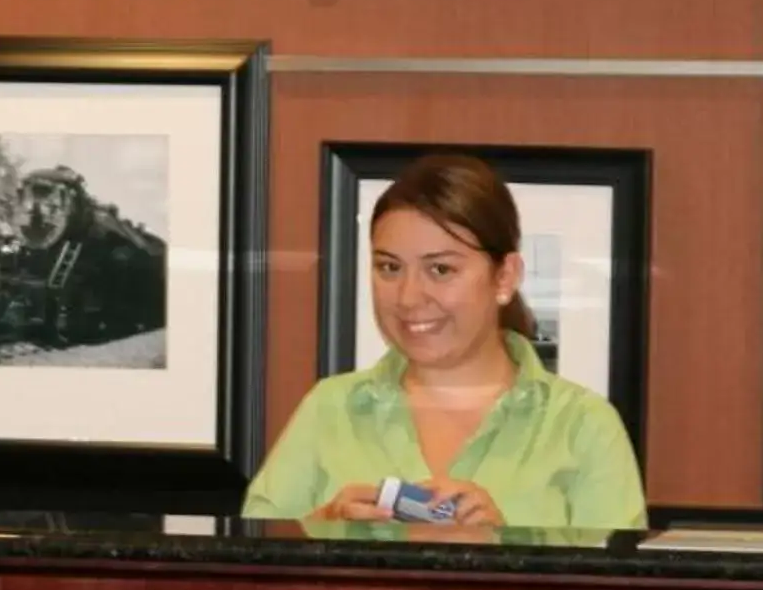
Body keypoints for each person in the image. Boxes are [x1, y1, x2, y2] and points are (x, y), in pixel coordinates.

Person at [243, 152, 648, 530]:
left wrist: (509, 548)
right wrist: (322, 526)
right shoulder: (330, 408)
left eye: (440, 269)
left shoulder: (582, 426)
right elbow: (242, 581)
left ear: (505, 277)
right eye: (389, 267)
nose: (408, 297)